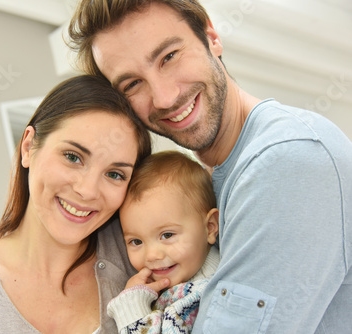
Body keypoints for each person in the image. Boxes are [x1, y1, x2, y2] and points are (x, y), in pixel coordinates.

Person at [68, 1, 352, 333]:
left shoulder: (289, 161)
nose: (163, 97)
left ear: (210, 35)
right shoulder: (209, 183)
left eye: (169, 56)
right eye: (132, 84)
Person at [0, 75, 157, 333]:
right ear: (28, 147)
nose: (87, 191)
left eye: (114, 174)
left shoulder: (141, 255)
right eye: (72, 156)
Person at [107, 150, 220, 333]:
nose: (152, 255)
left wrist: (131, 306)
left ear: (210, 227)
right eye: (136, 241)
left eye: (167, 235)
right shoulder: (185, 280)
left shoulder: (204, 294)